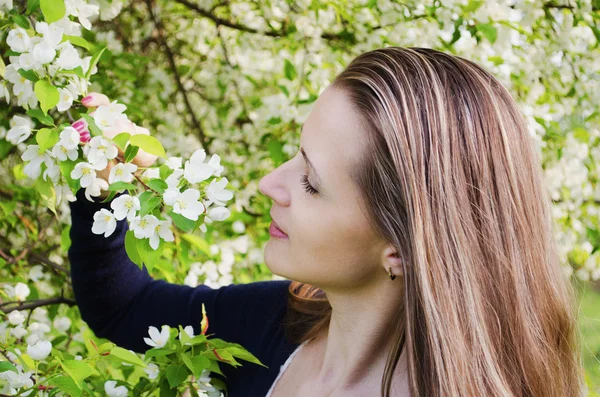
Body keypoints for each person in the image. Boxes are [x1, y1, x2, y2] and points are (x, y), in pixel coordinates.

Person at [68, 47, 584, 397]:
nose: (270, 183)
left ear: (401, 250)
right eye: (296, 154)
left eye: (312, 183)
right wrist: (102, 179)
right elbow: (125, 306)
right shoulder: (277, 323)